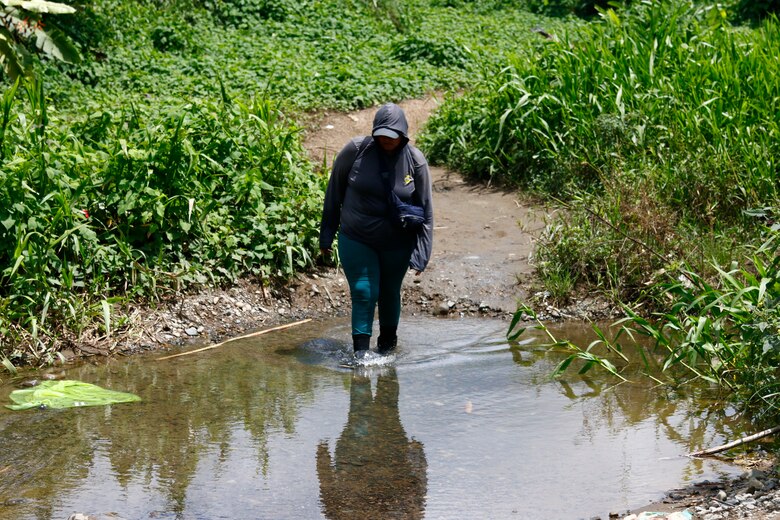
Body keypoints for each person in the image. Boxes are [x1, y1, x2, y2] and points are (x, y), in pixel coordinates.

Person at [319, 102, 433, 359]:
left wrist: (422, 252)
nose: (386, 139)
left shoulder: (415, 161)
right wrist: (326, 234)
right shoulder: (355, 151)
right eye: (381, 134)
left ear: (403, 135)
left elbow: (426, 210)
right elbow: (333, 192)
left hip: (398, 242)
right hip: (356, 236)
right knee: (363, 291)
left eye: (392, 135)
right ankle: (361, 356)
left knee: (389, 292)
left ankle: (387, 350)